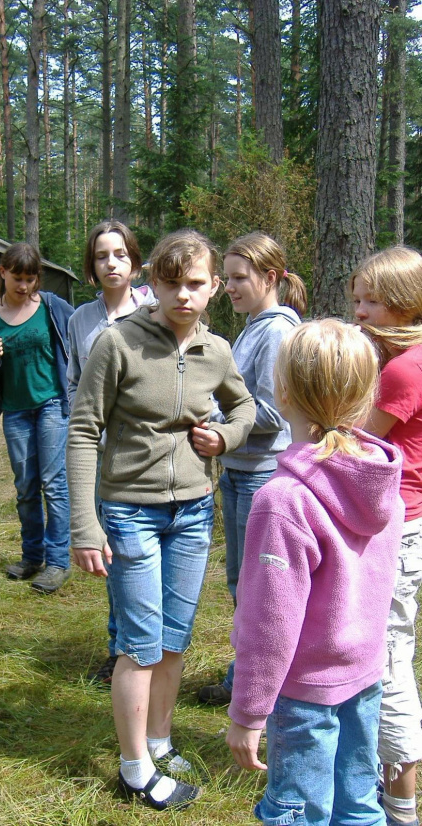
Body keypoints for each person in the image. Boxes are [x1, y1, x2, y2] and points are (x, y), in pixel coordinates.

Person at [68, 229, 255, 810]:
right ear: (153, 282)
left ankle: (158, 739)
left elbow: (247, 405)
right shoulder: (116, 343)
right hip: (130, 513)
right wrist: (84, 525)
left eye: (196, 284)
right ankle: (134, 768)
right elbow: (81, 430)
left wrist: (224, 436)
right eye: (172, 284)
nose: (183, 296)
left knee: (174, 639)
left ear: (214, 287)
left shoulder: (217, 350)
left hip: (195, 512)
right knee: (140, 644)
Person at [226, 319, 405, 826]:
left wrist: (248, 711)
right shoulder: (381, 479)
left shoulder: (282, 501)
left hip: (303, 693)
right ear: (367, 392)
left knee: (300, 813)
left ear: (281, 392)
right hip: (367, 677)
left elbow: (270, 623)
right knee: (358, 804)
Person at [199, 231, 307, 706]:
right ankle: (247, 672)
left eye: (239, 278)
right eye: (227, 278)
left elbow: (272, 411)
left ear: (270, 277)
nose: (230, 287)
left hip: (262, 471)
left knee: (260, 585)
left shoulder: (279, 331)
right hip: (241, 469)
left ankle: (259, 681)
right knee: (243, 581)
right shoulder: (253, 325)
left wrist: (219, 421)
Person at [351, 246, 422, 826]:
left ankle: (400, 795)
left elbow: (363, 442)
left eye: (371, 300)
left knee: (390, 656)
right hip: (407, 523)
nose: (360, 311)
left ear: (403, 303)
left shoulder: (402, 369)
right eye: (356, 299)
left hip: (398, 524)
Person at [67, 219, 155, 685]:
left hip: (146, 453)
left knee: (142, 549)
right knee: (113, 546)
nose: (111, 263)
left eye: (120, 254)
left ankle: (148, 644)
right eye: (102, 255)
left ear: (135, 262)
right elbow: (73, 382)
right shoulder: (80, 320)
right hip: (101, 453)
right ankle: (118, 645)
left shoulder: (156, 310)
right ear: (92, 265)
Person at [0, 243, 74, 594]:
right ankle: (32, 557)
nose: (24, 286)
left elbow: (79, 343)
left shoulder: (53, 307)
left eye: (31, 279)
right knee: (26, 486)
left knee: (54, 482)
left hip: (51, 404)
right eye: (18, 278)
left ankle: (58, 562)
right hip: (15, 410)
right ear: (3, 272)